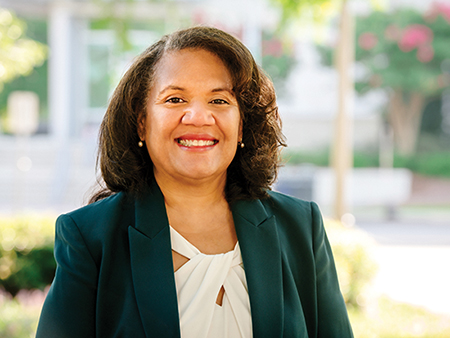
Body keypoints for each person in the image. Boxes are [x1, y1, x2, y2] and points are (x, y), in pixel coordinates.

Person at [36, 26, 353, 338]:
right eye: (175, 100)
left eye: (219, 101)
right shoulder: (90, 238)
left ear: (242, 125)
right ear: (142, 123)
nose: (198, 117)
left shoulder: (300, 226)